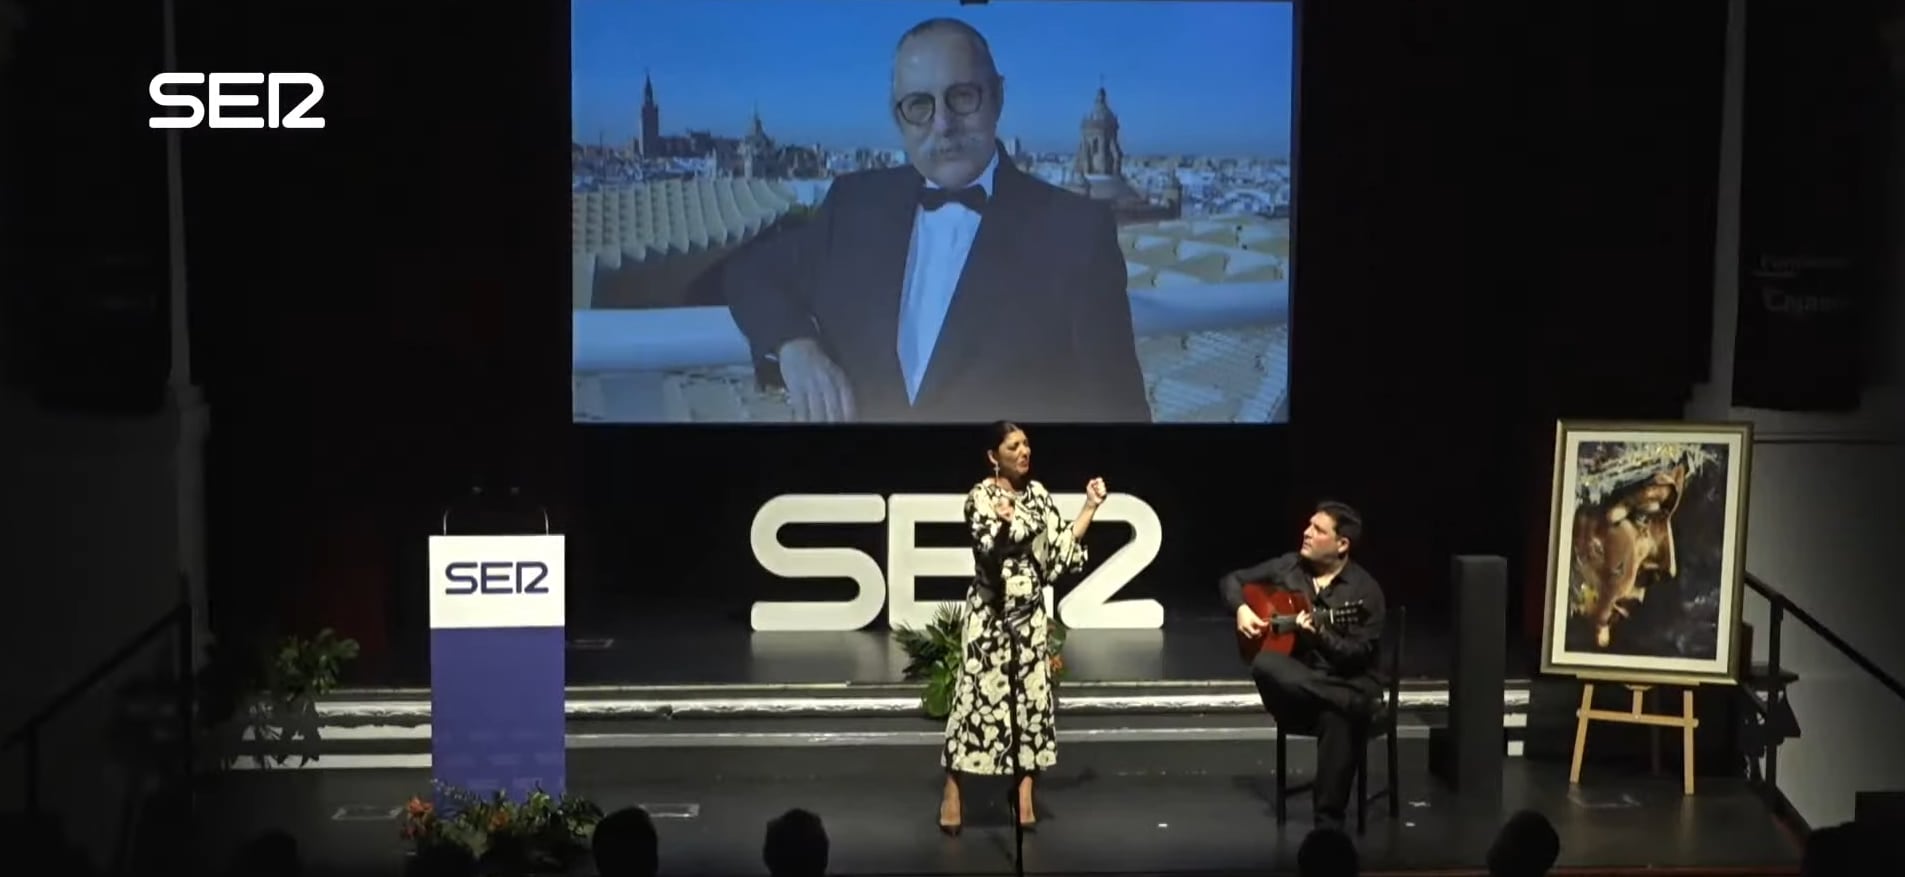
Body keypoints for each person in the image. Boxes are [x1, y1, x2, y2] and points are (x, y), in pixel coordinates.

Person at [723, 18, 1151, 424]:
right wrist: (795, 344)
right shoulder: (855, 203)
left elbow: (1117, 411)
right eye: (919, 106)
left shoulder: (1076, 232)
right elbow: (751, 272)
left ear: (997, 98)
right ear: (898, 118)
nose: (943, 124)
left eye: (962, 96)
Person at [939, 420, 1107, 833]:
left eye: (1026, 444)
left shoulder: (1038, 496)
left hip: (1030, 620)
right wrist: (1004, 524)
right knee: (974, 703)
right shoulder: (980, 497)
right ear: (994, 456)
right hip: (990, 618)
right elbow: (990, 546)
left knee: (1031, 705)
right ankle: (953, 789)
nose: (1023, 451)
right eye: (1013, 446)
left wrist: (1089, 507)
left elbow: (1061, 552)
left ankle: (1025, 790)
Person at [1218, 500, 1387, 831]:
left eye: (1318, 530)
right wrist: (1240, 609)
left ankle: (1327, 826)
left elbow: (1358, 657)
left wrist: (1321, 636)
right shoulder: (1288, 567)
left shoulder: (1366, 593)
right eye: (1309, 526)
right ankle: (1350, 702)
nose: (1306, 533)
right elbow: (1231, 580)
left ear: (1342, 544)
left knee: (1337, 719)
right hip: (1299, 692)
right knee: (1265, 663)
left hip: (1337, 685)